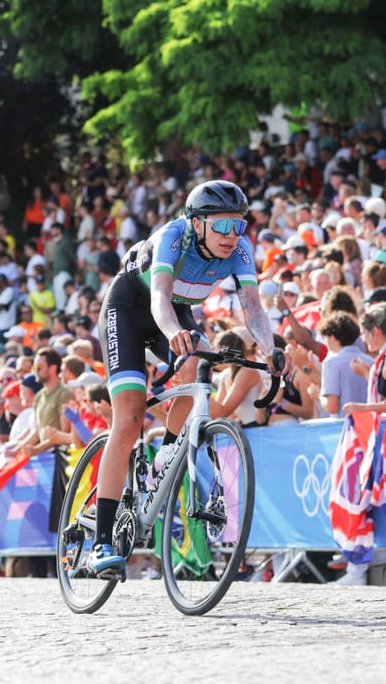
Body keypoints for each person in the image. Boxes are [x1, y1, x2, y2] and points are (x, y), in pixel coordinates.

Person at [90, 180, 279, 576]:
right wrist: (172, 331)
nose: (233, 236)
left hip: (176, 311)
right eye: (223, 226)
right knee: (128, 420)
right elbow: (159, 297)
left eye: (239, 225)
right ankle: (101, 543)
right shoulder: (172, 237)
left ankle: (166, 457)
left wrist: (270, 349)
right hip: (130, 308)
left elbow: (254, 310)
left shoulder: (240, 251)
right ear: (197, 224)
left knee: (197, 361)